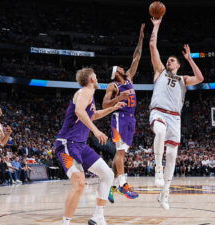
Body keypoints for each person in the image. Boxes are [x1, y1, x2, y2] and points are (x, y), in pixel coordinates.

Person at [55, 68, 125, 225]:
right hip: (68, 143)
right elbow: (80, 111)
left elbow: (94, 115)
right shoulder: (85, 91)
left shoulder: (89, 96)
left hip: (80, 145)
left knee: (107, 174)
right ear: (91, 79)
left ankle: (98, 217)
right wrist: (96, 130)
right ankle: (65, 223)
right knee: (80, 183)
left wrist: (112, 108)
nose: (97, 78)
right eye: (96, 76)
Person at [149, 16, 204, 210]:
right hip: (159, 112)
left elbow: (200, 78)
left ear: (178, 64)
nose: (168, 61)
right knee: (160, 132)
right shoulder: (160, 71)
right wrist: (156, 26)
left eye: (172, 60)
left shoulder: (183, 79)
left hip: (175, 118)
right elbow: (152, 47)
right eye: (168, 60)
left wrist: (190, 59)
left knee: (172, 154)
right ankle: (157, 168)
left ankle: (165, 193)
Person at [102, 24, 144, 202]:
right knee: (120, 153)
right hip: (119, 119)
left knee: (121, 155)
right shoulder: (114, 86)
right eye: (119, 67)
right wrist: (119, 98)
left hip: (131, 120)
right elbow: (104, 104)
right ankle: (122, 185)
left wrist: (141, 38)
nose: (123, 67)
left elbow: (136, 57)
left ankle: (109, 187)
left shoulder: (129, 78)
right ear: (115, 72)